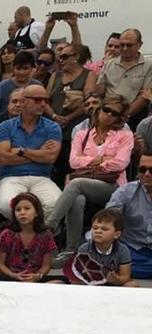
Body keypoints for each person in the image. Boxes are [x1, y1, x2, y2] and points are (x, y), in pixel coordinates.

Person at [47, 96, 133, 261]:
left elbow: (120, 164)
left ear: (119, 118)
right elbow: (73, 161)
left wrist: (86, 162)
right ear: (99, 110)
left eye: (114, 113)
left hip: (113, 185)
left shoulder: (124, 135)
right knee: (77, 199)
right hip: (85, 185)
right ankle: (70, 250)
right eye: (106, 109)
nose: (109, 115)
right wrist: (101, 160)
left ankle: (49, 226)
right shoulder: (82, 134)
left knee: (76, 183)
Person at [0, 84, 62, 219]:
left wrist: (20, 150)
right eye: (37, 100)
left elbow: (50, 157)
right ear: (24, 101)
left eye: (46, 100)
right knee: (6, 205)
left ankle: (35, 235)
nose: (43, 104)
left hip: (42, 178)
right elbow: (4, 158)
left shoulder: (53, 127)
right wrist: (39, 152)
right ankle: (25, 234)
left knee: (55, 204)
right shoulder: (5, 127)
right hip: (11, 177)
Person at [46, 44, 97, 187]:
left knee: (70, 166)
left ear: (76, 58)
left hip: (75, 128)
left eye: (65, 56)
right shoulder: (55, 75)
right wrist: (55, 116)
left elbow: (90, 101)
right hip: (53, 126)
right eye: (59, 56)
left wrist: (68, 118)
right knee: (54, 167)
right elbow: (45, 100)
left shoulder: (88, 75)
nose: (60, 60)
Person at [104, 154, 152, 279]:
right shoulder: (125, 191)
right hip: (130, 250)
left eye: (151, 170)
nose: (147, 174)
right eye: (142, 170)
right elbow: (108, 220)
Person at [95, 29, 152, 128]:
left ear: (139, 45)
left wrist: (123, 115)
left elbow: (144, 98)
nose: (125, 48)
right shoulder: (109, 64)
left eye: (129, 45)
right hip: (107, 115)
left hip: (134, 117)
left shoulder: (149, 66)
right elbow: (100, 92)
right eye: (122, 45)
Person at [0, 192, 58, 282]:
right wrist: (13, 275)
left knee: (60, 283)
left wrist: (37, 276)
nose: (22, 212)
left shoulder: (46, 235)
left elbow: (46, 266)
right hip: (11, 277)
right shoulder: (7, 234)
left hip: (35, 278)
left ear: (37, 212)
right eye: (18, 210)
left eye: (27, 208)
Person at [70, 208, 138, 286]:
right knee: (76, 283)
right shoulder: (84, 248)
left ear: (117, 234)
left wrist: (116, 279)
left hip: (113, 286)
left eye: (104, 229)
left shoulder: (123, 250)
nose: (98, 231)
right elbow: (79, 273)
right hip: (91, 285)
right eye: (95, 228)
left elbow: (125, 276)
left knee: (132, 285)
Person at [0, 51, 39, 131]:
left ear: (32, 68)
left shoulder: (37, 86)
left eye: (26, 68)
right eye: (18, 68)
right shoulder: (2, 86)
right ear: (13, 69)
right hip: (4, 128)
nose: (22, 72)